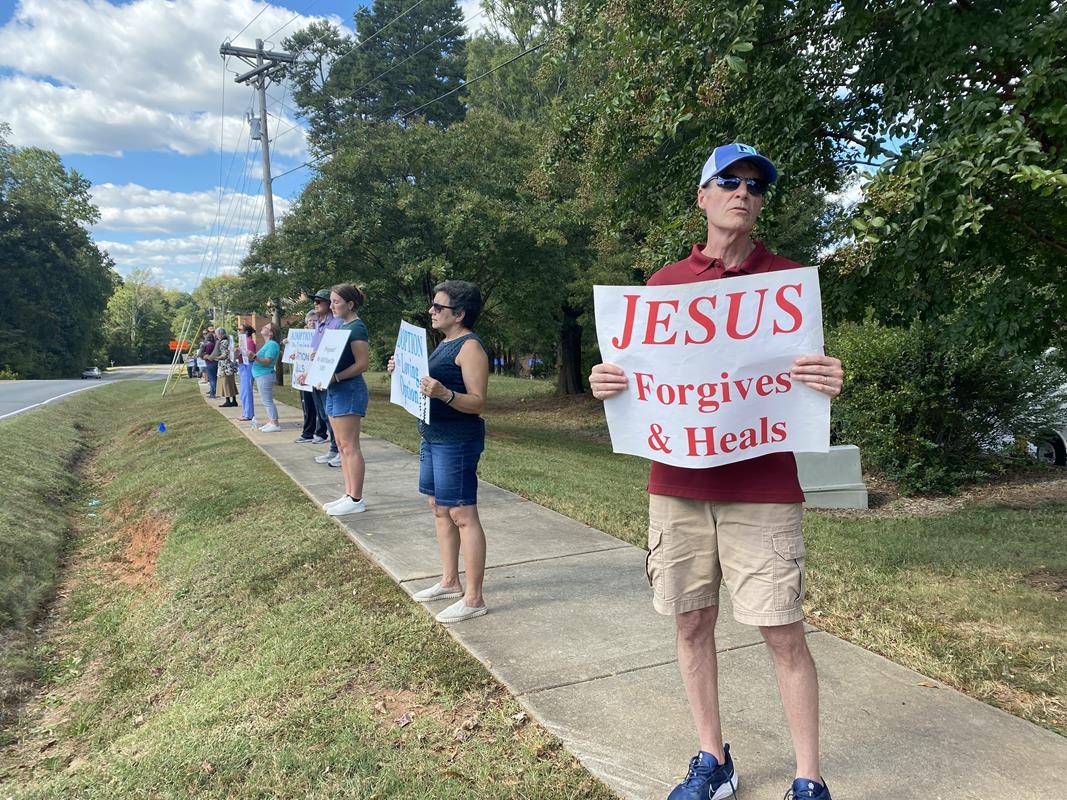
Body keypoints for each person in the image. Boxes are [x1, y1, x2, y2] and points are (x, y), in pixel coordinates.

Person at [589, 143, 844, 800]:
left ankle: (808, 778)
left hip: (761, 489)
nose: (743, 192)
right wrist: (607, 381)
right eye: (728, 181)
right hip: (676, 487)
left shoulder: (785, 286)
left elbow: (801, 382)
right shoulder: (659, 289)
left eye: (755, 186)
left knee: (781, 630)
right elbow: (638, 382)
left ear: (760, 204)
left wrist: (827, 378)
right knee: (689, 621)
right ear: (702, 196)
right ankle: (713, 759)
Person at [388, 280, 490, 624]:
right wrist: (400, 370)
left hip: (456, 440)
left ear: (459, 314)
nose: (431, 311)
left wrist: (445, 393)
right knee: (438, 508)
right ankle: (449, 581)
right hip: (432, 437)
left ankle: (474, 598)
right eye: (432, 306)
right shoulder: (444, 344)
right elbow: (423, 386)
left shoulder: (470, 347)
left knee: (462, 514)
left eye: (438, 307)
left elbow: (477, 403)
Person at [319, 284, 370, 516]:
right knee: (341, 446)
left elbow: (362, 364)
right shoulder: (341, 326)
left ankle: (356, 498)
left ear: (350, 304)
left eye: (336, 302)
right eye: (330, 301)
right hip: (335, 391)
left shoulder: (357, 328)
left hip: (348, 390)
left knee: (350, 446)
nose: (331, 306)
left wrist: (336, 376)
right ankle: (348, 493)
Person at [301, 289, 344, 468]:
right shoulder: (319, 324)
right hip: (316, 376)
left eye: (319, 301)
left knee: (332, 415)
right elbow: (313, 353)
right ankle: (334, 448)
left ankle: (341, 451)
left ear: (328, 304)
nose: (315, 304)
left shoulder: (337, 323)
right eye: (314, 301)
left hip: (328, 376)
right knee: (324, 415)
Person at [294, 311, 328, 444]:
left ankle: (321, 433)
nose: (312, 323)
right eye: (309, 321)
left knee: (319, 406)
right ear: (306, 323)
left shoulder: (322, 335)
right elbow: (296, 354)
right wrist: (290, 346)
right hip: (304, 376)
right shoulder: (301, 338)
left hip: (317, 376)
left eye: (315, 320)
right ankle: (308, 432)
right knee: (307, 406)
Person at [252, 323, 282, 432]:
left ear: (270, 332)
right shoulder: (268, 344)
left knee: (267, 400)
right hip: (262, 375)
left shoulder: (272, 344)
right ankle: (271, 421)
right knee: (265, 400)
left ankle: (275, 423)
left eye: (266, 327)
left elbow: (267, 361)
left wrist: (255, 357)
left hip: (265, 374)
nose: (263, 327)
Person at [211, 327, 238, 407]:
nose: (216, 336)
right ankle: (234, 400)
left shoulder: (223, 342)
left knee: (225, 383)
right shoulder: (229, 340)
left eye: (217, 334)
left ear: (220, 334)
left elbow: (224, 354)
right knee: (231, 383)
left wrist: (214, 358)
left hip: (224, 366)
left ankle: (228, 401)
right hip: (230, 365)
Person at [236, 324, 258, 421]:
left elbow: (251, 356)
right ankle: (246, 412)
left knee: (246, 391)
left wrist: (241, 352)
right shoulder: (243, 342)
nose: (238, 331)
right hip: (243, 366)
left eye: (240, 329)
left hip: (247, 366)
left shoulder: (248, 342)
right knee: (244, 391)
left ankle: (248, 414)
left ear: (246, 332)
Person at [198, 331, 217, 396]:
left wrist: (203, 357)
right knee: (214, 378)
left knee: (211, 378)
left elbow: (200, 354)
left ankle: (212, 393)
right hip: (216, 362)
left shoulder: (205, 344)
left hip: (209, 362)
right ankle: (213, 390)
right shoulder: (215, 344)